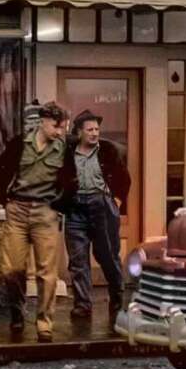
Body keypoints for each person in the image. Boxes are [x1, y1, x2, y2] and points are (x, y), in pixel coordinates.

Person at [0, 101, 69, 342]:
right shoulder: (19, 144)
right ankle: (17, 312)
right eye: (56, 126)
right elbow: (1, 168)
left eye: (63, 127)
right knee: (11, 269)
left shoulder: (64, 149)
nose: (59, 131)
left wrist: (58, 206)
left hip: (45, 212)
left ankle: (44, 323)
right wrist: (4, 201)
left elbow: (71, 180)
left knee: (47, 273)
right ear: (43, 121)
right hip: (17, 210)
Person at [56, 109, 131, 326]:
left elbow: (124, 179)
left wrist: (115, 202)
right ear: (79, 132)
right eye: (89, 129)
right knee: (78, 260)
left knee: (108, 257)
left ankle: (117, 301)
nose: (94, 133)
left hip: (101, 207)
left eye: (97, 129)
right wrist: (61, 203)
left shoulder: (108, 150)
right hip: (75, 209)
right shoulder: (68, 152)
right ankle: (82, 305)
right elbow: (57, 178)